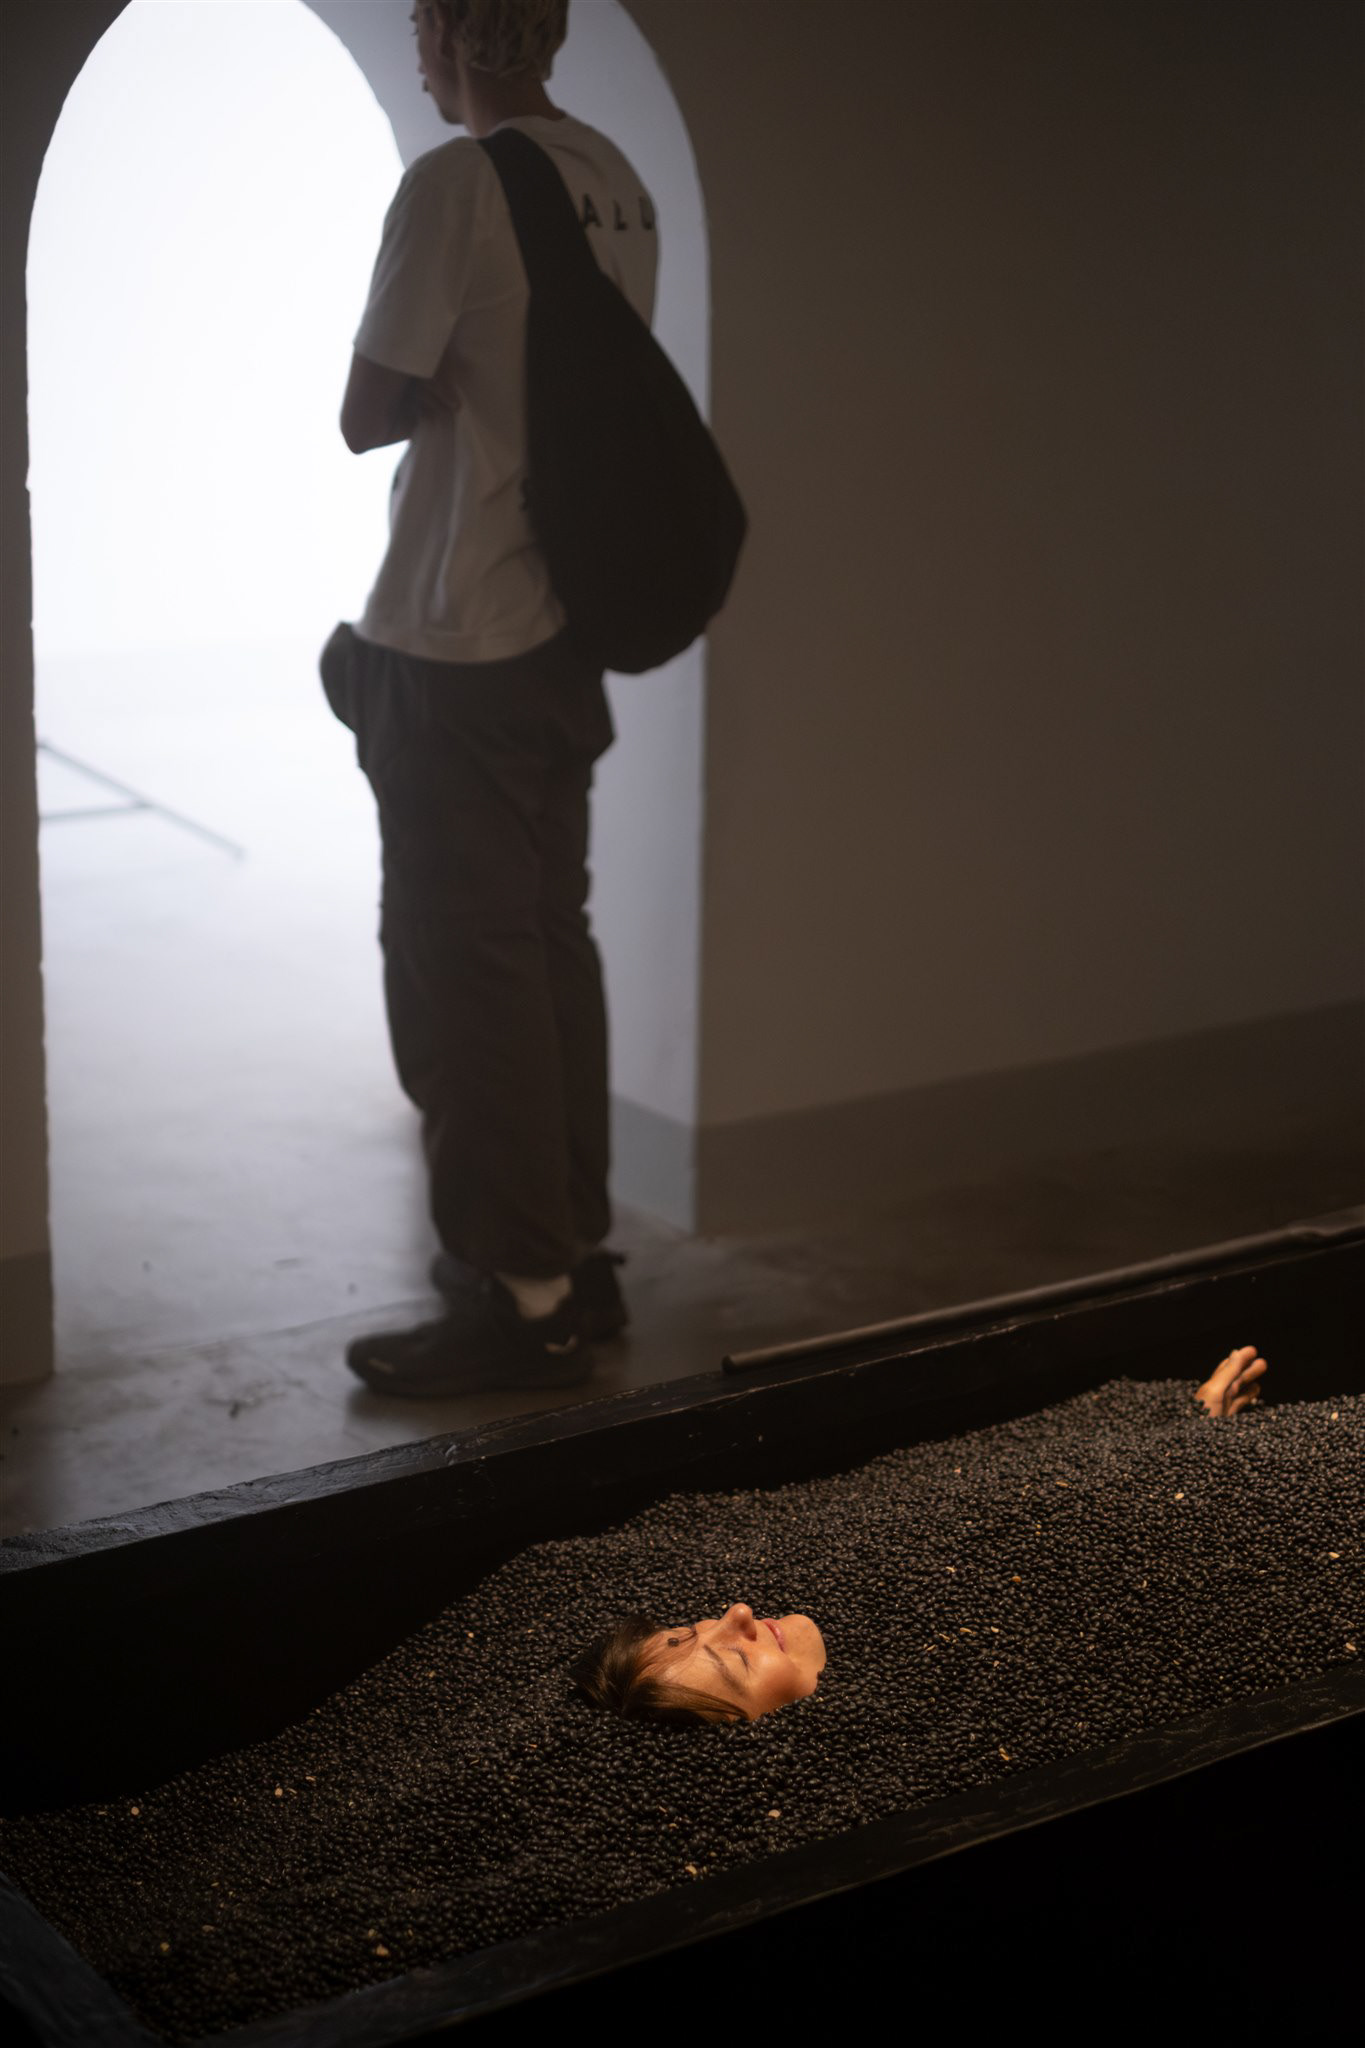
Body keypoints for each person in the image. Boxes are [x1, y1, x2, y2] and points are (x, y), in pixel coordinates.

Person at [319, 1, 656, 1398]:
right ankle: (574, 1257)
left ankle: (519, 1301)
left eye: (421, 16)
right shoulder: (615, 180)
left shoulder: (457, 183)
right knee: (547, 948)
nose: (415, 41)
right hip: (558, 633)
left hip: (458, 641)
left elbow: (365, 411)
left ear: (456, 29)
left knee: (467, 975)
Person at [570, 1345, 1270, 1724]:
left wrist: (1172, 1433)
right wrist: (1188, 1451)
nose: (737, 1613)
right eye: (736, 1662)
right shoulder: (972, 1699)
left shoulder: (835, 1552)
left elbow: (1010, 1488)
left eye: (690, 1629)